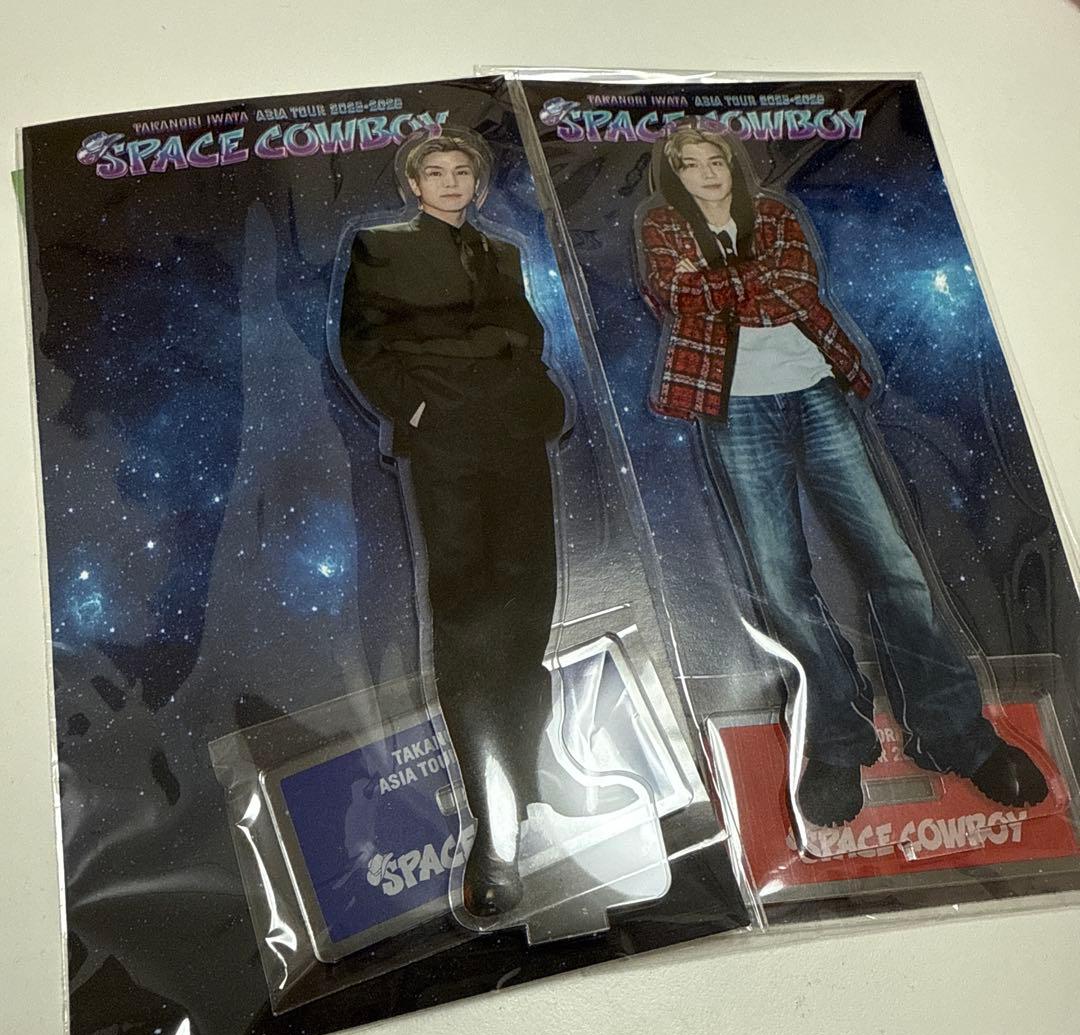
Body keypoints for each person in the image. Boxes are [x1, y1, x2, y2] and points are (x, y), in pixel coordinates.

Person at [637, 121, 1047, 828]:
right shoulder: (662, 227)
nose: (707, 172)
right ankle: (835, 740)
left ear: (734, 164)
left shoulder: (775, 214)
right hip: (734, 406)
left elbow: (792, 286)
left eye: (716, 159)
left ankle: (953, 731)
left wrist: (721, 289)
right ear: (675, 175)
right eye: (691, 164)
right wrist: (741, 288)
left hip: (817, 391)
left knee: (893, 562)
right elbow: (681, 296)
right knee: (780, 580)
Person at [337, 131, 568, 916]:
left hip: (514, 433)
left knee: (529, 599)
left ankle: (530, 783)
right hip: (445, 438)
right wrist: (416, 410)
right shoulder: (381, 246)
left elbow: (526, 336)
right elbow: (361, 344)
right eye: (433, 172)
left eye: (460, 171)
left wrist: (540, 401)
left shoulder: (502, 252)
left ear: (477, 181)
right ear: (413, 183)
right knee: (467, 614)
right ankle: (492, 826)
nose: (448, 182)